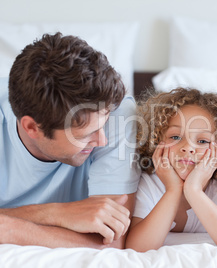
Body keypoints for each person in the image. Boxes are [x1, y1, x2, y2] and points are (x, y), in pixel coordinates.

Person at [0, 32, 140, 248]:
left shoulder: (117, 114)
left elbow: (112, 241)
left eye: (103, 126)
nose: (101, 141)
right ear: (31, 127)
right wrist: (54, 213)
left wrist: (8, 226)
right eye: (84, 135)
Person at [125, 88, 217, 251]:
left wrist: (194, 190)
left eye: (202, 141)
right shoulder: (149, 182)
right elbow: (138, 248)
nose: (187, 147)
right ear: (157, 140)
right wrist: (173, 190)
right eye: (175, 137)